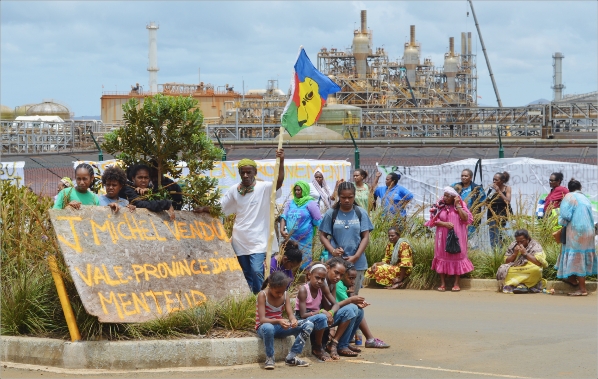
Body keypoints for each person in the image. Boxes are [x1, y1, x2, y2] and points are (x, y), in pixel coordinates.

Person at [221, 151, 285, 294]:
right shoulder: (234, 190)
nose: (245, 175)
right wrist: (203, 209)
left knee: (257, 270)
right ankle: (250, 303)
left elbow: (279, 181)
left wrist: (281, 161)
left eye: (249, 172)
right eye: (242, 173)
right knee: (245, 273)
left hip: (258, 241)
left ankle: (260, 298)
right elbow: (220, 208)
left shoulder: (263, 188)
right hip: (240, 240)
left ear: (255, 172)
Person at [296, 260, 361, 361]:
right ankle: (318, 347)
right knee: (325, 315)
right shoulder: (305, 289)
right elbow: (303, 314)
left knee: (356, 310)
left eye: (341, 275)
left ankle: (337, 344)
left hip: (321, 316)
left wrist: (330, 313)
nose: (320, 281)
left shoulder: (323, 286)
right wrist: (322, 312)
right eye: (336, 272)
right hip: (308, 318)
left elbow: (333, 304)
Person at [319, 182, 374, 295]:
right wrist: (333, 251)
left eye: (350, 197)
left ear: (354, 196)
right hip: (336, 263)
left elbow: (365, 237)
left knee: (352, 295)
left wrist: (356, 256)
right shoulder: (331, 213)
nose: (347, 200)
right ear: (339, 196)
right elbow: (322, 235)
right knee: (335, 295)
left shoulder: (361, 213)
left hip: (357, 263)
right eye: (343, 197)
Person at [255, 271, 313, 369]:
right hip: (264, 327)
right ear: (270, 287)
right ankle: (270, 358)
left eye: (282, 292)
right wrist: (279, 320)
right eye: (277, 292)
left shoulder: (285, 295)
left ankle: (292, 356)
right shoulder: (262, 295)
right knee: (268, 328)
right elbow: (262, 320)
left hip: (280, 327)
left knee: (309, 324)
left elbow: (290, 314)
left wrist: (293, 320)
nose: (280, 295)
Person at [425, 186, 474, 292]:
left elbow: (466, 219)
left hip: (458, 236)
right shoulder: (439, 206)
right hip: (442, 236)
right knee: (442, 256)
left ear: (454, 197)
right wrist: (444, 224)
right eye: (445, 195)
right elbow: (433, 220)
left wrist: (458, 206)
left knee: (457, 256)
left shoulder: (461, 206)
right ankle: (442, 283)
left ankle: (456, 283)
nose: (445, 198)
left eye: (448, 196)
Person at [556, 179, 597, 296]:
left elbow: (565, 215)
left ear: (569, 188)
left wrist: (561, 224)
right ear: (580, 187)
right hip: (589, 230)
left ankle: (582, 289)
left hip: (576, 230)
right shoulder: (585, 198)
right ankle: (572, 279)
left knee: (577, 256)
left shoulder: (569, 196)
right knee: (581, 255)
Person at [337, 263, 390, 348]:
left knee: (358, 311)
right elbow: (348, 302)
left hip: (341, 311)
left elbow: (349, 301)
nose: (353, 282)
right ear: (342, 276)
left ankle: (350, 340)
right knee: (355, 309)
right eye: (350, 278)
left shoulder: (344, 285)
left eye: (354, 279)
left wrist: (352, 295)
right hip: (334, 313)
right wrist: (355, 300)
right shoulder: (339, 285)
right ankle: (369, 339)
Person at [280, 180, 322, 269]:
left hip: (305, 240)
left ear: (305, 190)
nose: (297, 192)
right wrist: (282, 230)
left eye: (299, 190)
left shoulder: (311, 204)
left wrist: (306, 226)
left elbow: (317, 220)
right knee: (290, 261)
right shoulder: (290, 203)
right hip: (290, 238)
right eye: (295, 190)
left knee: (305, 262)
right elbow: (284, 216)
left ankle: (304, 280)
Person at [496, 229, 548, 294]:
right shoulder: (513, 245)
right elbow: (507, 262)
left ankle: (520, 285)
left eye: (522, 241)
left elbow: (538, 262)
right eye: (518, 241)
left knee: (536, 270)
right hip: (516, 267)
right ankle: (521, 286)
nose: (519, 243)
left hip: (529, 268)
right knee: (502, 269)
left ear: (528, 238)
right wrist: (514, 254)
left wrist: (525, 253)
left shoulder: (535, 245)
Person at [452, 169, 486, 236]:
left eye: (466, 176)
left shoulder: (476, 188)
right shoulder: (455, 186)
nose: (463, 177)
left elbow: (483, 200)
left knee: (468, 237)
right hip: (457, 215)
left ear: (470, 178)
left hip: (471, 216)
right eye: (462, 176)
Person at [486, 171, 512, 248]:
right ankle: (495, 255)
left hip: (504, 216)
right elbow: (487, 201)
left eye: (496, 180)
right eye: (493, 179)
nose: (494, 181)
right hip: (492, 216)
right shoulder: (491, 189)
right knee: (493, 238)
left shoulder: (507, 188)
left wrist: (498, 191)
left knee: (504, 237)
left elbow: (507, 201)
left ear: (502, 181)